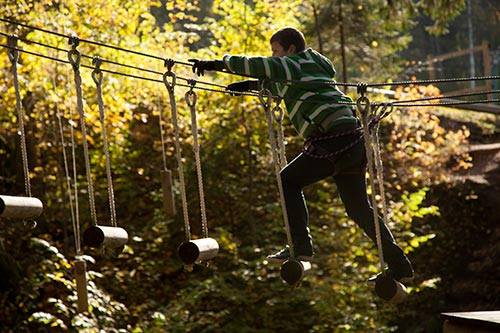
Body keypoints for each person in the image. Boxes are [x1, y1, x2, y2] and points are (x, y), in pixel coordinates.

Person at [189, 27, 414, 284]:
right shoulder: (310, 68)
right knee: (358, 208)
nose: (273, 57)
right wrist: (250, 86)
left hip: (332, 139)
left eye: (276, 51)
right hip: (352, 141)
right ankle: (400, 265)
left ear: (290, 50)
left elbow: (260, 66)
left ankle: (300, 246)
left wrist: (217, 64)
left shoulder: (295, 63)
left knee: (289, 180)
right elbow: (284, 86)